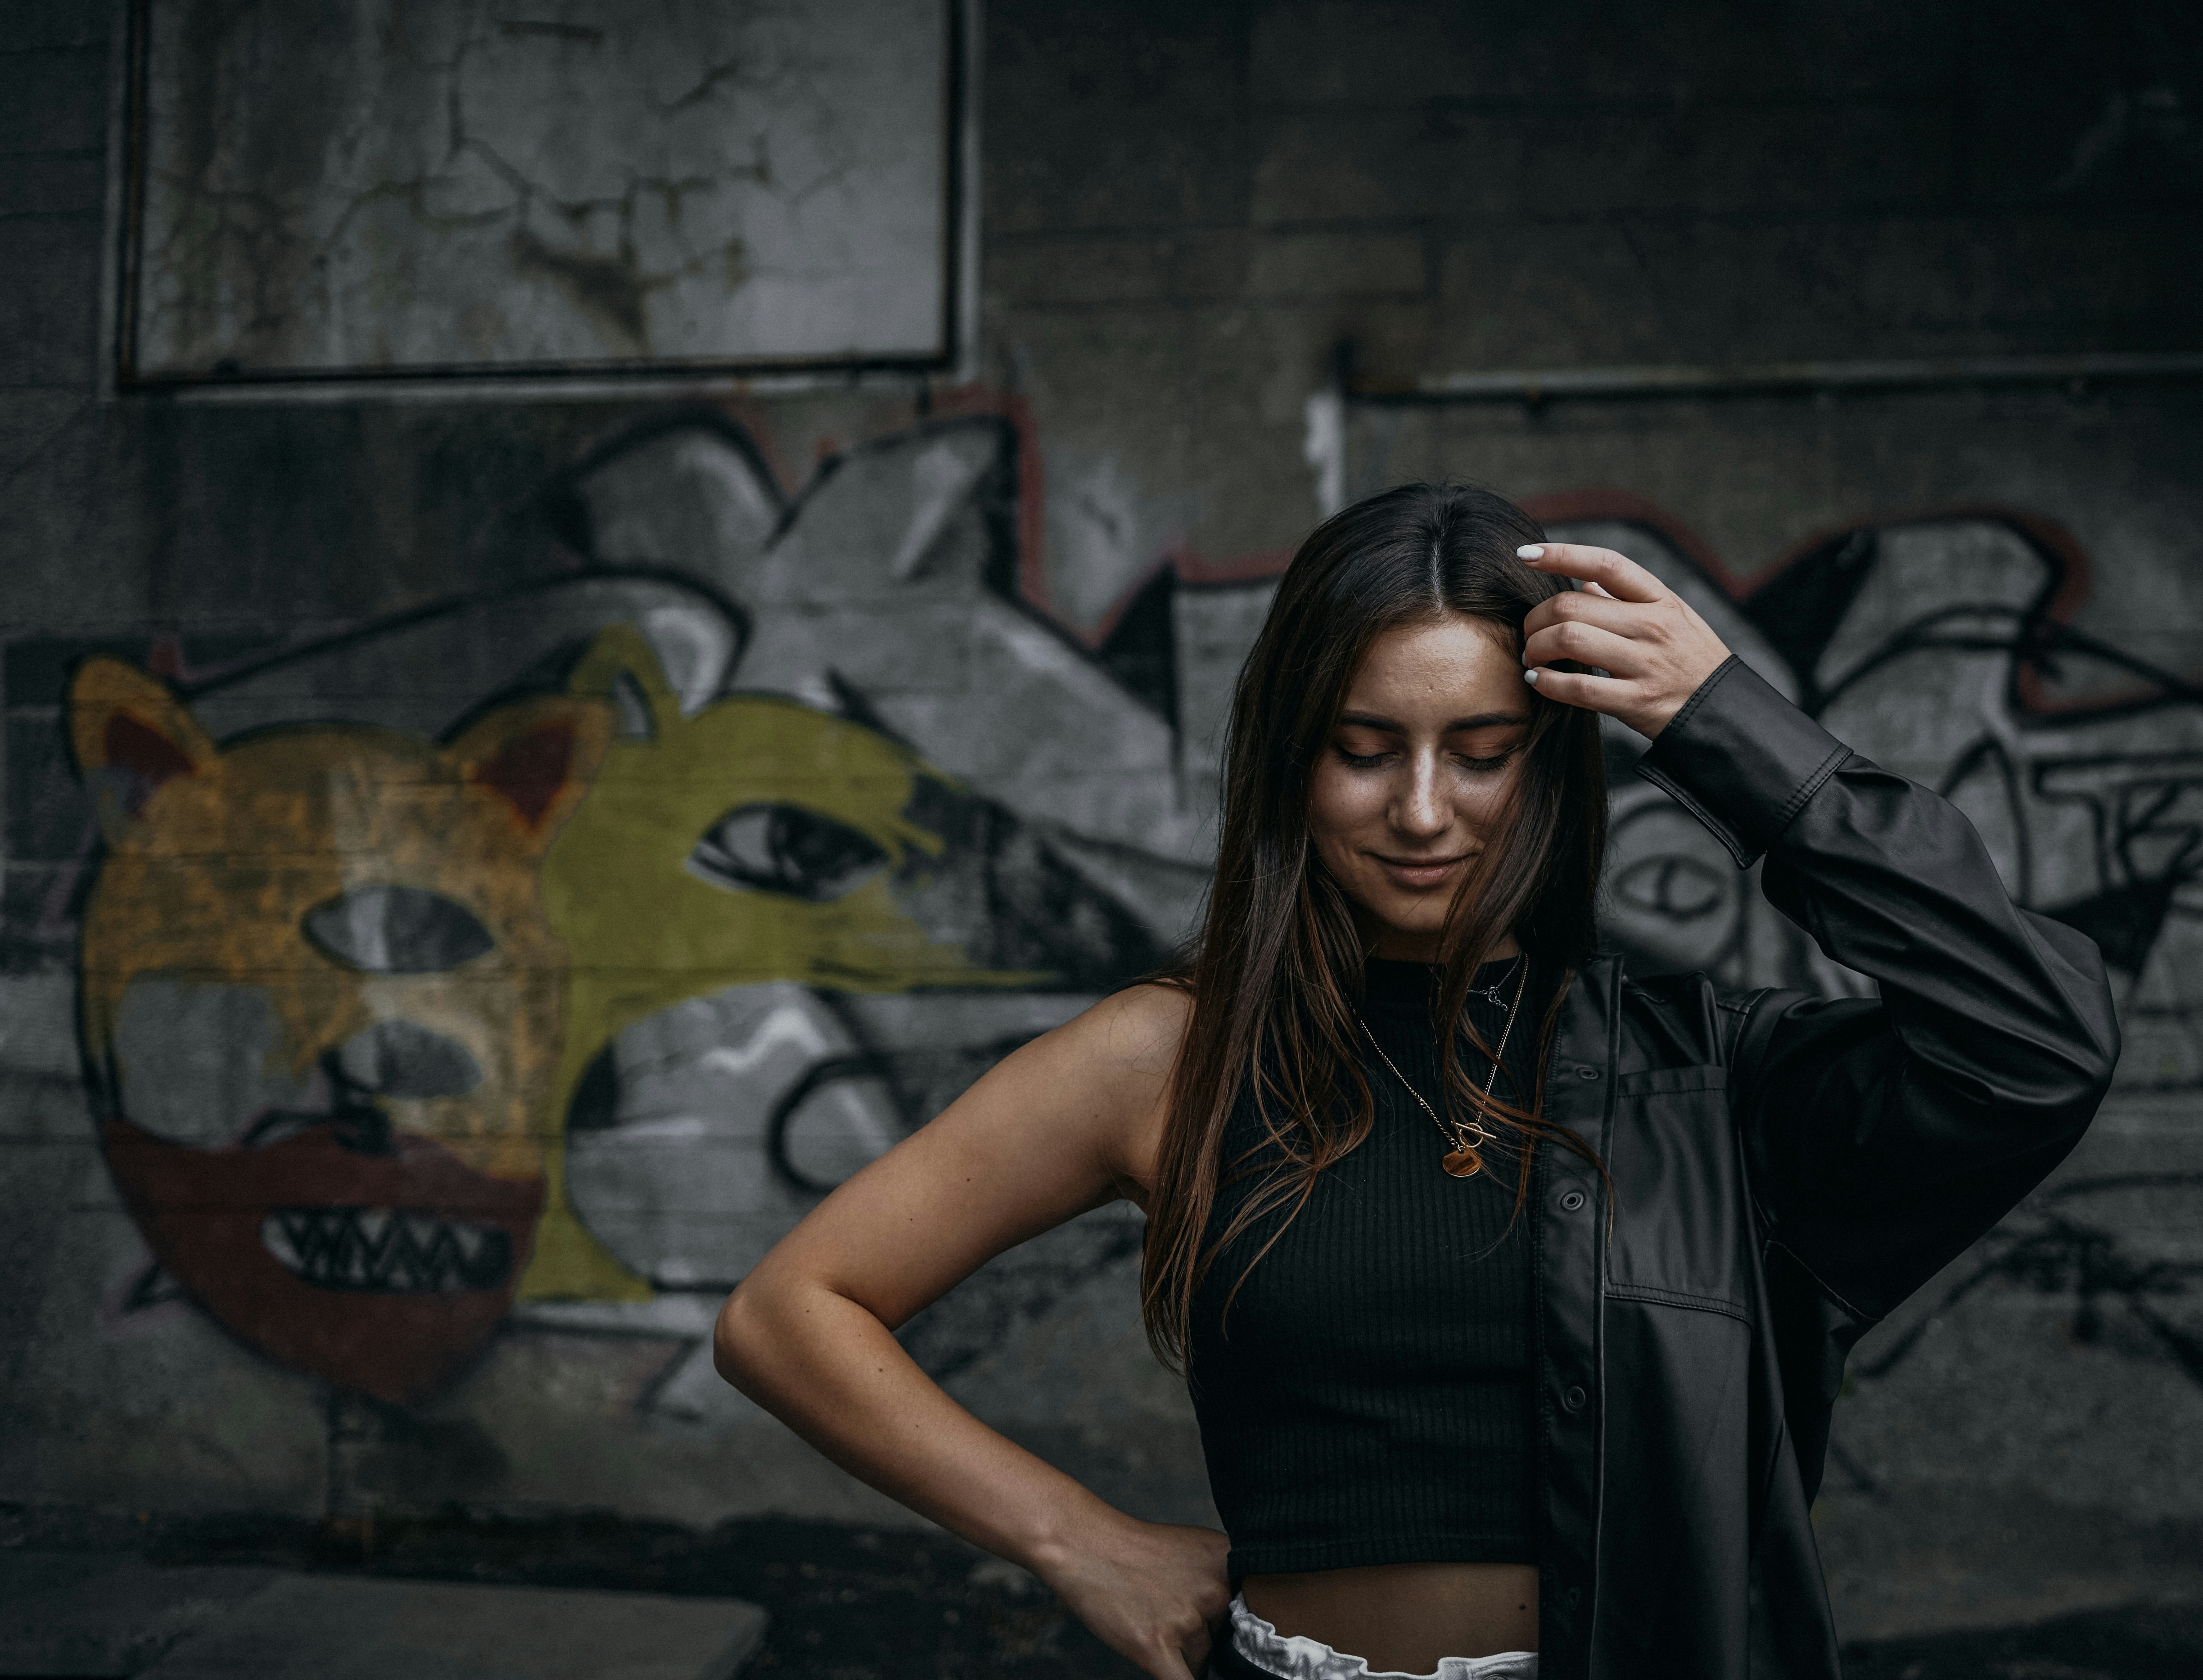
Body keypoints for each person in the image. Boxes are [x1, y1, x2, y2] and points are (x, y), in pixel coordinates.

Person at [714, 483, 2120, 1680]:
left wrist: (1725, 726)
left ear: (1557, 767)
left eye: (1486, 753)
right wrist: (1076, 1538)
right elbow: (791, 1312)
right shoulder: (1169, 1058)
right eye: (1365, 750)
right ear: (1293, 761)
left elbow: (2037, 1046)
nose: (1426, 810)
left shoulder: (1710, 1081)